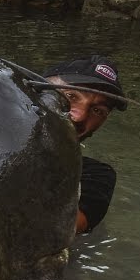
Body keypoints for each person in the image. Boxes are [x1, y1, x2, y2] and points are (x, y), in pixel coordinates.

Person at [42, 55, 127, 234]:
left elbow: (65, 228)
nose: (79, 116)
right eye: (71, 96)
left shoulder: (96, 176)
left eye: (98, 110)